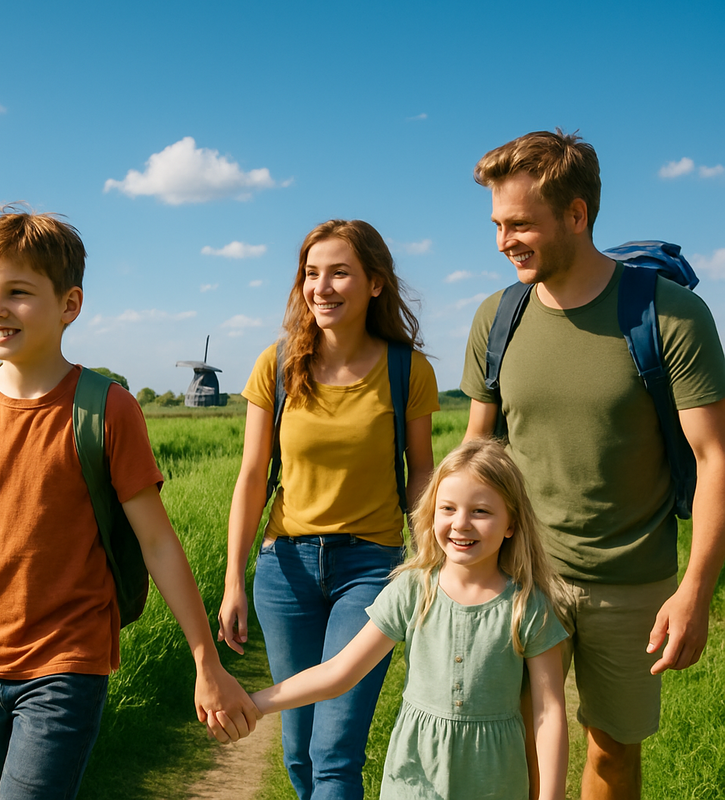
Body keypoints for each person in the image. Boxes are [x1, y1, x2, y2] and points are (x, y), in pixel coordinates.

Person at [0, 207, 259, 800]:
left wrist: (206, 661)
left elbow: (157, 541)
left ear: (69, 306)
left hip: (66, 662)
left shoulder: (106, 409)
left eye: (19, 292)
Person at [461, 129, 725, 799]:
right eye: (497, 223)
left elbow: (715, 457)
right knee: (510, 742)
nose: (502, 241)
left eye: (520, 223)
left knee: (611, 752)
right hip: (521, 575)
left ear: (576, 216)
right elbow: (476, 455)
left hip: (630, 583)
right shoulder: (498, 317)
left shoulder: (671, 316)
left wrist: (694, 592)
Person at [217, 219, 439, 800]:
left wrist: (431, 564)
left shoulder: (406, 370)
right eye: (311, 274)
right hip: (284, 571)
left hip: (370, 569)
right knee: (299, 752)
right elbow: (250, 478)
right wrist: (233, 582)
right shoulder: (278, 365)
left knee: (334, 751)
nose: (322, 286)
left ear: (375, 284)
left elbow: (422, 475)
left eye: (340, 272)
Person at [242, 439, 568, 800]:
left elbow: (549, 713)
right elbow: (340, 673)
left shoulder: (528, 605)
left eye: (480, 512)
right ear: (431, 514)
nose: (461, 523)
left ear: (511, 523)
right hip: (414, 782)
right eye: (448, 508)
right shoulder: (413, 590)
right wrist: (256, 703)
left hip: (495, 782)